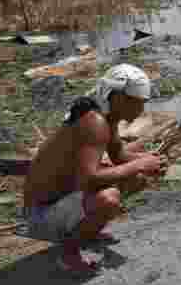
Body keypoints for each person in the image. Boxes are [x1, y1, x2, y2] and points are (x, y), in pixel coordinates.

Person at [22, 64, 168, 273]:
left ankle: (85, 232)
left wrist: (148, 160)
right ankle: (69, 254)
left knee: (136, 178)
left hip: (62, 199)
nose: (141, 111)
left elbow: (119, 156)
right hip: (40, 214)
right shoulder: (95, 124)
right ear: (118, 98)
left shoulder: (106, 117)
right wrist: (139, 164)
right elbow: (88, 179)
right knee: (108, 199)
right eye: (138, 104)